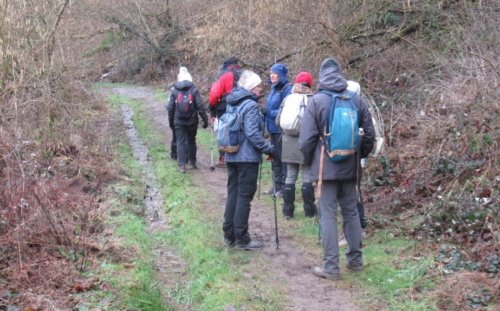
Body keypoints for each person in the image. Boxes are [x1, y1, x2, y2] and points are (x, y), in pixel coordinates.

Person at [299, 58, 374, 279]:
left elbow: (306, 141)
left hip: (325, 168)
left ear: (322, 76)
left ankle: (331, 266)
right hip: (351, 168)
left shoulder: (316, 101)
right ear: (340, 75)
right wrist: (359, 156)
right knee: (351, 212)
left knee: (328, 214)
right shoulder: (357, 100)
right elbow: (369, 136)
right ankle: (355, 260)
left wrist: (309, 161)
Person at [222, 70, 277, 250]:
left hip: (231, 153)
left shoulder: (232, 102)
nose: (261, 89)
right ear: (251, 88)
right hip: (247, 158)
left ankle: (229, 235)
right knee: (244, 197)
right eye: (258, 86)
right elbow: (252, 133)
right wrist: (269, 149)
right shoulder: (251, 105)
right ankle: (242, 238)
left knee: (233, 194)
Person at [275, 72, 317, 219]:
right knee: (307, 175)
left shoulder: (288, 98)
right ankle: (309, 211)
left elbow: (278, 121)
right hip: (307, 143)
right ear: (309, 84)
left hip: (288, 142)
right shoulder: (313, 100)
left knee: (290, 175)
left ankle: (288, 211)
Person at [338, 80, 368, 246]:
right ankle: (357, 227)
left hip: (350, 158)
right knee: (354, 193)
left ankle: (355, 230)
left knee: (352, 195)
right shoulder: (361, 107)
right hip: (356, 158)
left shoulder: (350, 108)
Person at [167, 67, 208, 173]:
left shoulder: (174, 90)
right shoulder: (194, 89)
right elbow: (199, 106)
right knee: (191, 141)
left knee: (180, 142)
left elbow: (171, 108)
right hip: (192, 120)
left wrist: (171, 121)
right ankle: (192, 162)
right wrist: (205, 120)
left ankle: (181, 166)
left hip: (178, 120)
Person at [263, 63, 293, 197]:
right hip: (272, 129)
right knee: (275, 157)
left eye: (275, 73)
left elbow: (287, 109)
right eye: (271, 73)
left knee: (283, 158)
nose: (272, 76)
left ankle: (285, 187)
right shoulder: (273, 89)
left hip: (281, 129)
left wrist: (269, 112)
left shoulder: (287, 89)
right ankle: (276, 184)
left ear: (281, 75)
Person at [209, 57, 243, 167]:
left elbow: (214, 93)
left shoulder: (224, 74)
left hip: (225, 107)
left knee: (225, 131)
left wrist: (212, 107)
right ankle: (241, 156)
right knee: (241, 130)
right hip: (243, 106)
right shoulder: (245, 74)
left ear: (227, 65)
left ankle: (223, 157)